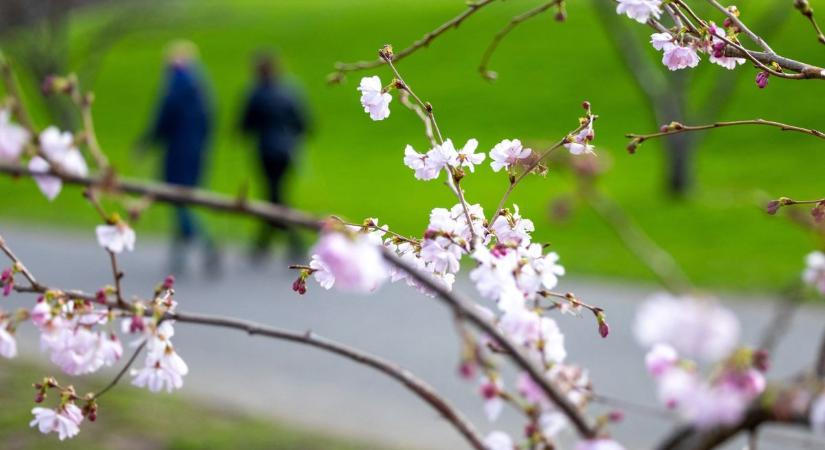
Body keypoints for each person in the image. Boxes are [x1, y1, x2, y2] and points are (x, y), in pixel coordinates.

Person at [139, 40, 220, 275]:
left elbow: (164, 118)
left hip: (178, 151)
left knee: (178, 199)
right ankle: (179, 256)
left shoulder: (176, 85)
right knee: (184, 198)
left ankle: (206, 242)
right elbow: (209, 121)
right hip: (197, 150)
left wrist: (146, 142)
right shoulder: (201, 85)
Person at [240, 52, 308, 262]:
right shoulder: (290, 91)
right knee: (275, 193)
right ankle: (268, 242)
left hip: (267, 151)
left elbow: (245, 125)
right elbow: (304, 123)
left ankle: (282, 242)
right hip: (287, 150)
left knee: (274, 195)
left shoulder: (256, 94)